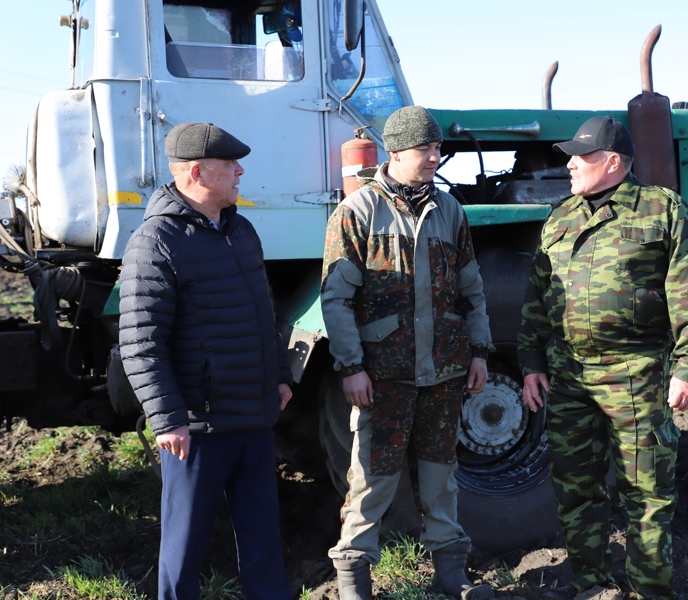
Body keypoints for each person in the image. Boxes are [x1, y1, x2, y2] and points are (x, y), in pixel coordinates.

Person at [517, 117, 688, 600]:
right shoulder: (561, 217)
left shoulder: (660, 211)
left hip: (637, 376)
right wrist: (530, 363)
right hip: (568, 378)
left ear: (612, 163)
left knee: (645, 496)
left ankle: (651, 592)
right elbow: (537, 297)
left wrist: (687, 368)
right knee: (576, 489)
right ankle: (592, 587)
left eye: (580, 157)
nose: (569, 164)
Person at [321, 106, 495, 600]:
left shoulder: (450, 211)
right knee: (371, 479)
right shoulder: (356, 213)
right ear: (395, 152)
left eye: (438, 150)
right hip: (383, 375)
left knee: (442, 476)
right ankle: (354, 579)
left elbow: (472, 291)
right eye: (426, 150)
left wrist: (479, 352)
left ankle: (451, 573)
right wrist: (351, 366)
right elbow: (336, 299)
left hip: (444, 372)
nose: (435, 158)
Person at [119, 122, 293, 600]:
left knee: (263, 543)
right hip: (197, 429)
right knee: (184, 548)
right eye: (230, 165)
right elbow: (140, 341)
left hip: (254, 419)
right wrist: (168, 418)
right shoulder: (156, 242)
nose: (240, 172)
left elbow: (264, 312)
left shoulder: (241, 229)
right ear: (198, 172)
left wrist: (279, 375)